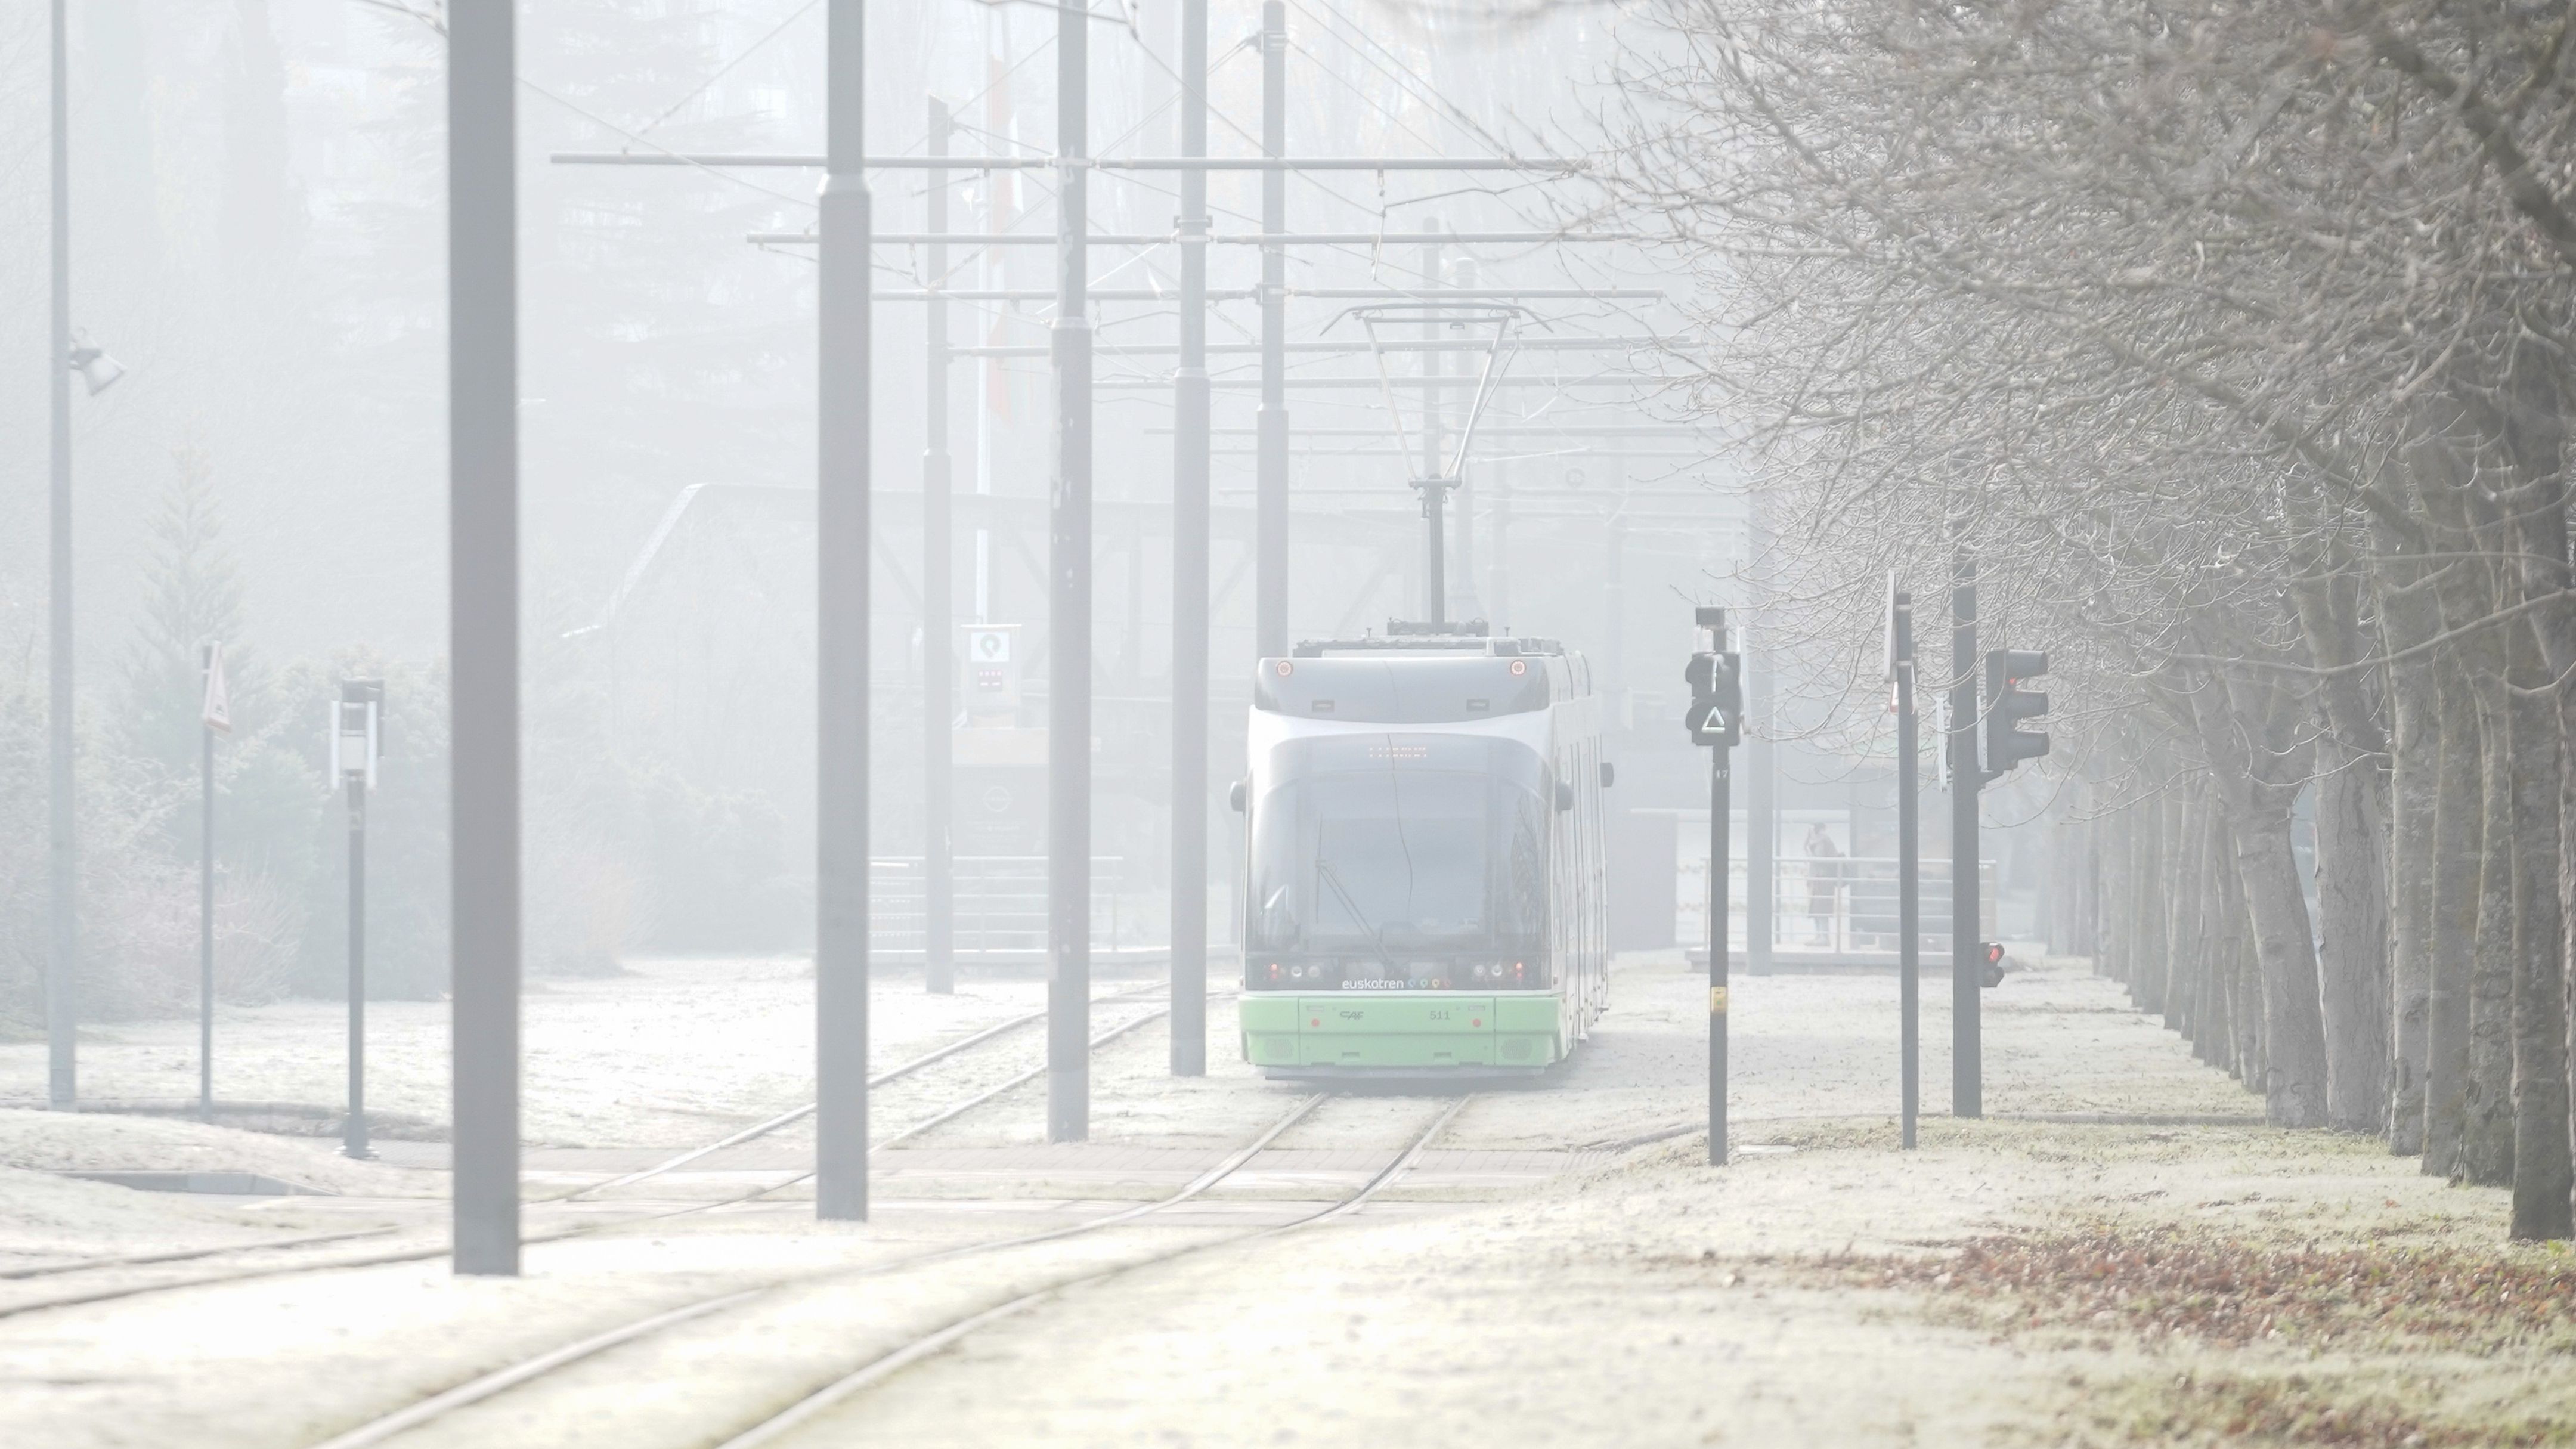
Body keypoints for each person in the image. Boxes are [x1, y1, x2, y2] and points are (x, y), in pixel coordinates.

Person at [1805, 823, 1843, 946]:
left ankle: (1824, 937)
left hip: (1823, 879)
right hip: (1818, 879)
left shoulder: (1823, 840)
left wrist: (1809, 848)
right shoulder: (1821, 841)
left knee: (1821, 909)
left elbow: (1819, 859)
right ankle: (1819, 936)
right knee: (1816, 909)